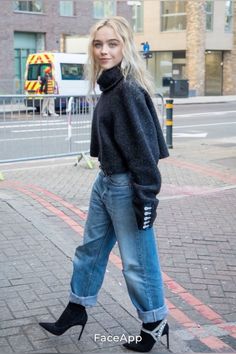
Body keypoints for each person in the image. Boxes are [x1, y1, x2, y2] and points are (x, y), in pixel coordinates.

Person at [39, 16, 169, 352]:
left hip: (127, 188)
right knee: (90, 250)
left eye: (112, 44)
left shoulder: (126, 90)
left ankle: (155, 322)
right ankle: (76, 308)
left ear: (124, 46)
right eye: (98, 44)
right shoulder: (110, 86)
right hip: (106, 181)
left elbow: (144, 153)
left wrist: (146, 197)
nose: (104, 50)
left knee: (138, 261)